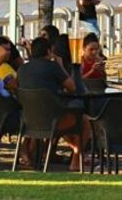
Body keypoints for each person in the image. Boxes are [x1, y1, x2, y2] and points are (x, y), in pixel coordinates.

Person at [17, 37, 85, 169]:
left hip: (28, 120)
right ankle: (76, 161)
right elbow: (72, 87)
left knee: (66, 115)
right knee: (83, 120)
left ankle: (33, 154)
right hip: (53, 120)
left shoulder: (22, 69)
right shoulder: (52, 67)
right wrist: (59, 64)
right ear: (49, 51)